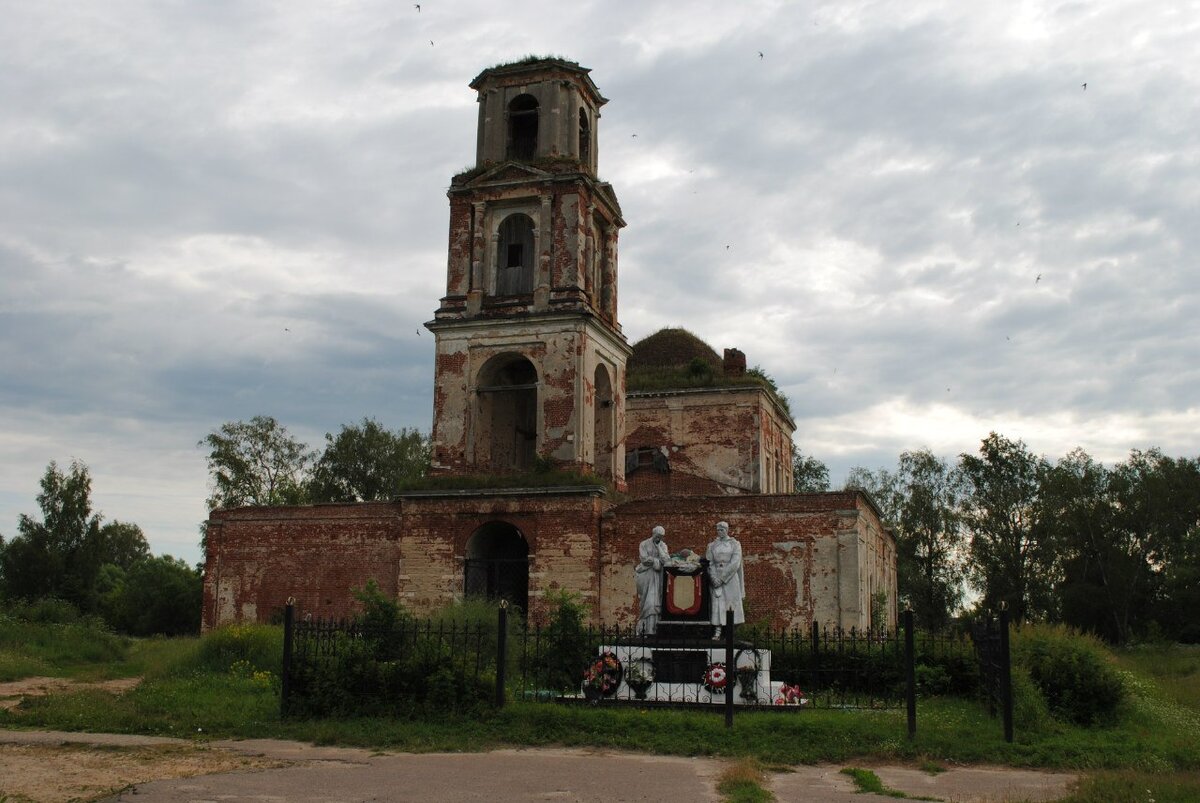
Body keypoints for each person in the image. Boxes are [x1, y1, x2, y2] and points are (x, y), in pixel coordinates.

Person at [706, 520, 745, 640]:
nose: (720, 532)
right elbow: (709, 562)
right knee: (717, 603)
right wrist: (713, 577)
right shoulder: (712, 545)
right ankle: (717, 630)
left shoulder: (734, 544)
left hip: (730, 578)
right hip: (716, 577)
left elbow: (735, 562)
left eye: (722, 529)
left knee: (730, 603)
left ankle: (730, 631)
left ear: (727, 530)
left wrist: (722, 578)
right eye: (718, 530)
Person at [635, 525, 669, 635]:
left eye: (661, 537)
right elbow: (644, 559)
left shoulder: (663, 546)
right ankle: (645, 629)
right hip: (646, 575)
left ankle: (654, 629)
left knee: (656, 601)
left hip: (658, 576)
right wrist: (656, 562)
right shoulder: (644, 544)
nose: (659, 539)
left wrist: (659, 547)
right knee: (646, 601)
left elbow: (666, 559)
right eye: (658, 536)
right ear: (653, 534)